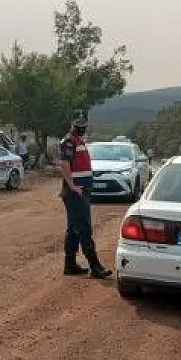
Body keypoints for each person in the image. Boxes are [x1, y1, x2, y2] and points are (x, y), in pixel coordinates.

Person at [59, 116, 111, 278]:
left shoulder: (78, 141)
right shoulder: (69, 142)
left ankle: (70, 264)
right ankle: (95, 266)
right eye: (79, 127)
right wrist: (72, 185)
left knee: (74, 229)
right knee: (84, 228)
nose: (81, 130)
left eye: (83, 127)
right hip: (77, 192)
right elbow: (64, 164)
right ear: (73, 127)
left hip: (80, 190)